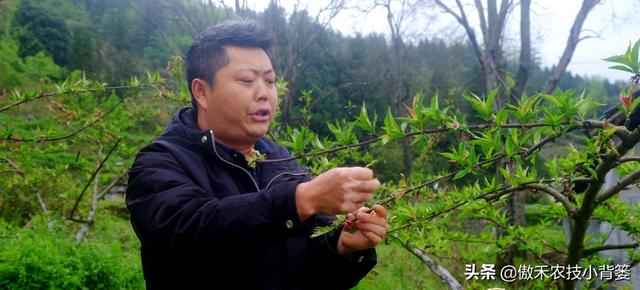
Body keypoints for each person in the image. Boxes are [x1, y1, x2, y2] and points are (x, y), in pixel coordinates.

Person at [125, 18, 388, 290]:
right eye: (247, 80)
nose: (264, 93)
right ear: (201, 92)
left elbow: (308, 274)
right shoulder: (158, 163)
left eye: (271, 81)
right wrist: (299, 200)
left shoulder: (283, 162)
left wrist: (342, 247)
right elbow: (191, 233)